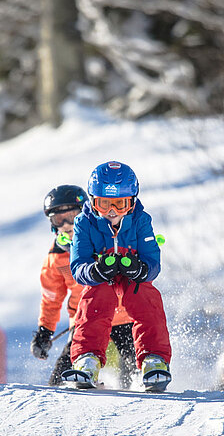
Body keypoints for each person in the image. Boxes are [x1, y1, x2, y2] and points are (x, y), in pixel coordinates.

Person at [61, 161, 171, 391]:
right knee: (94, 297)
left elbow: (153, 261)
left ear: (131, 203)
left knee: (145, 295)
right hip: (102, 277)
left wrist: (141, 269)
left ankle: (154, 359)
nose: (111, 212)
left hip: (133, 276)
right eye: (104, 204)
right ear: (93, 201)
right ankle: (87, 358)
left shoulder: (141, 220)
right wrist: (95, 271)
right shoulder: (84, 223)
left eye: (119, 204)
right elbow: (78, 264)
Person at [30, 184, 136, 387]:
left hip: (122, 317)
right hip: (84, 321)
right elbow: (51, 299)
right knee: (60, 382)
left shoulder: (105, 241)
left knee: (134, 374)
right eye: (59, 219)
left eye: (72, 216)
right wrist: (44, 332)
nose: (67, 224)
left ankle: (140, 385)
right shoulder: (57, 259)